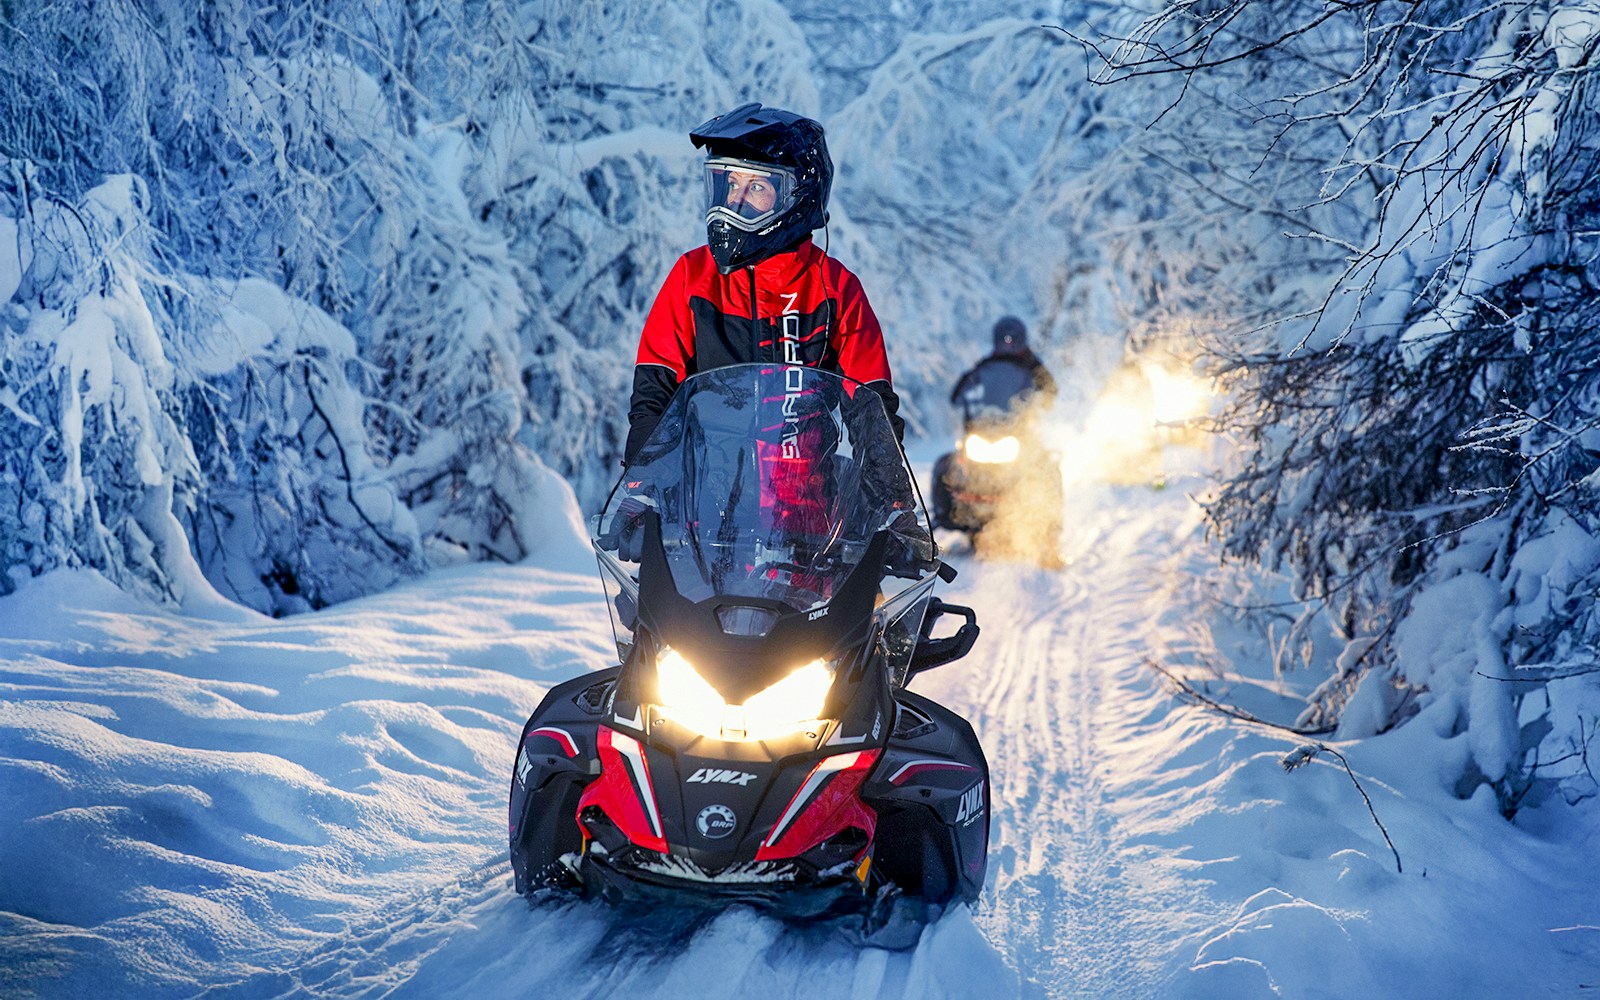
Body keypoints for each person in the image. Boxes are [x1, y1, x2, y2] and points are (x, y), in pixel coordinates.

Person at [624, 102, 903, 464]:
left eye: (755, 186)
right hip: (706, 503)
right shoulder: (693, 278)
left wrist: (891, 496)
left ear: (796, 197)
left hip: (808, 509)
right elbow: (653, 394)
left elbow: (872, 408)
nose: (733, 203)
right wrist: (642, 487)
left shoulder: (834, 288)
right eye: (729, 184)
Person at [949, 316, 1057, 416]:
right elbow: (961, 391)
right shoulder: (987, 366)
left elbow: (1050, 387)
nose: (1007, 345)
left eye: (1012, 341)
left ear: (1021, 341)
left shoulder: (1032, 365)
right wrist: (964, 399)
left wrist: (1043, 402)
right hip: (986, 422)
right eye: (1003, 340)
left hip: (1020, 423)